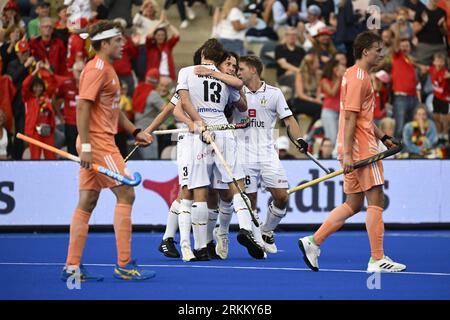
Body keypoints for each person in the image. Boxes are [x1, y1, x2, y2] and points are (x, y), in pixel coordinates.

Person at [298, 31, 407, 273]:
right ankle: (377, 259)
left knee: (353, 203)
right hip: (361, 150)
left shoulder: (352, 74)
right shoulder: (360, 79)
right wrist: (348, 155)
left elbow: (363, 118)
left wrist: (384, 137)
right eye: (378, 49)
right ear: (365, 50)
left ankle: (313, 242)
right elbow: (350, 118)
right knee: (376, 198)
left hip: (357, 145)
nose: (382, 53)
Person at [60, 20, 155, 282]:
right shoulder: (97, 69)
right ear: (104, 43)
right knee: (126, 192)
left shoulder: (109, 70)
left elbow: (114, 111)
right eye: (118, 41)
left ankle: (72, 266)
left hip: (100, 141)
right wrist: (88, 147)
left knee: (87, 201)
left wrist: (135, 132)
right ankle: (124, 265)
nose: (123, 44)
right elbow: (82, 108)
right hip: (98, 143)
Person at [177, 39, 266, 260]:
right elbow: (242, 106)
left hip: (201, 133)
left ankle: (200, 248)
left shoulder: (187, 71)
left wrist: (199, 123)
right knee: (236, 184)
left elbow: (185, 103)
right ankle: (245, 228)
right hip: (224, 131)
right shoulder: (228, 79)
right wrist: (231, 81)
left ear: (204, 53)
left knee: (199, 190)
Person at [228, 55, 303, 255]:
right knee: (249, 201)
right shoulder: (234, 92)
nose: (237, 72)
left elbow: (289, 120)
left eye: (241, 69)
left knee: (282, 198)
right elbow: (225, 118)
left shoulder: (274, 93)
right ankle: (257, 243)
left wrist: (300, 140)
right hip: (243, 155)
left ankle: (267, 231)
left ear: (253, 70)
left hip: (268, 154)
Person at [22, 61, 57, 160]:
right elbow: (24, 84)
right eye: (35, 86)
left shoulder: (46, 96)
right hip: (34, 131)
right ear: (32, 88)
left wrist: (47, 69)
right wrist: (36, 70)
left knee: (51, 157)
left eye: (40, 86)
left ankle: (52, 174)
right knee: (35, 158)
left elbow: (54, 82)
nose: (38, 88)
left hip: (47, 131)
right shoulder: (28, 98)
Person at [55, 61, 84, 156]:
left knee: (85, 150)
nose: (80, 73)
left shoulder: (90, 85)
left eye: (82, 71)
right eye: (78, 71)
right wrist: (61, 117)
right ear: (73, 71)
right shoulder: (66, 84)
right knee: (72, 150)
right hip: (70, 123)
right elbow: (56, 102)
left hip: (85, 124)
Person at [320, 58, 345, 146]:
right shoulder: (325, 81)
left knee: (340, 138)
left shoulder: (343, 80)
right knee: (331, 137)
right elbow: (332, 93)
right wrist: (338, 78)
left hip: (340, 112)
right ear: (334, 69)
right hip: (329, 111)